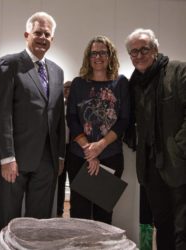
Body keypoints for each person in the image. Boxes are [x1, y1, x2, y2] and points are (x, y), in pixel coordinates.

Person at [0, 11, 65, 233]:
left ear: (52, 39)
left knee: (39, 224)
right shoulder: (10, 64)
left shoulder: (57, 71)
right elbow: (1, 113)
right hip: (16, 158)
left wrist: (60, 155)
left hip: (47, 160)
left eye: (47, 34)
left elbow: (58, 116)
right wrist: (7, 157)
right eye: (38, 33)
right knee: (9, 219)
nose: (42, 37)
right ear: (27, 34)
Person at [124, 28, 186, 250]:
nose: (138, 55)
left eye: (144, 49)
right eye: (133, 52)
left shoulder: (178, 71)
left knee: (183, 228)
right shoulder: (135, 83)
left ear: (156, 49)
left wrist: (179, 148)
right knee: (162, 224)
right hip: (150, 168)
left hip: (178, 165)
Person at [66, 35, 130, 224]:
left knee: (103, 216)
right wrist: (90, 150)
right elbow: (71, 117)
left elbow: (124, 120)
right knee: (79, 215)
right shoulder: (78, 83)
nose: (98, 57)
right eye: (94, 53)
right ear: (88, 56)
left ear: (110, 56)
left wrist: (100, 146)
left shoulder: (121, 83)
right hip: (80, 157)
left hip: (110, 156)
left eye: (103, 52)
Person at [57, 81, 72, 217]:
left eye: (70, 88)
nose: (67, 90)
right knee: (60, 181)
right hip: (60, 148)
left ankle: (74, 211)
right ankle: (58, 209)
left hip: (73, 148)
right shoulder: (58, 107)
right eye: (65, 88)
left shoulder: (77, 107)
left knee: (74, 181)